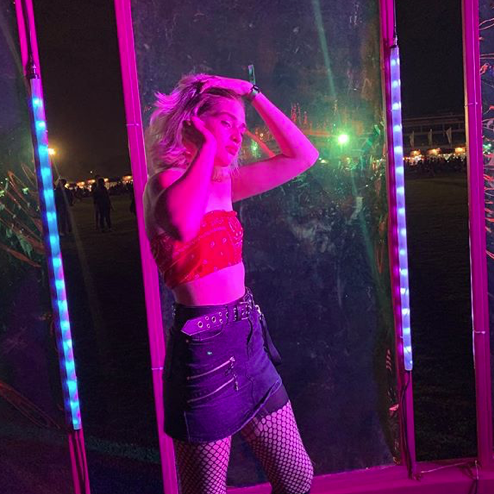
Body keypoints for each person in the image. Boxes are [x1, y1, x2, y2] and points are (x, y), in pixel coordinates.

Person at [143, 74, 319, 494]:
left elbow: (303, 156)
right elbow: (183, 224)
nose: (238, 135)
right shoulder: (163, 183)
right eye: (226, 123)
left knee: (297, 478)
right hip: (204, 356)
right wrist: (207, 146)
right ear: (191, 121)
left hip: (248, 341)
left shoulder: (224, 183)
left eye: (242, 128)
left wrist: (252, 94)